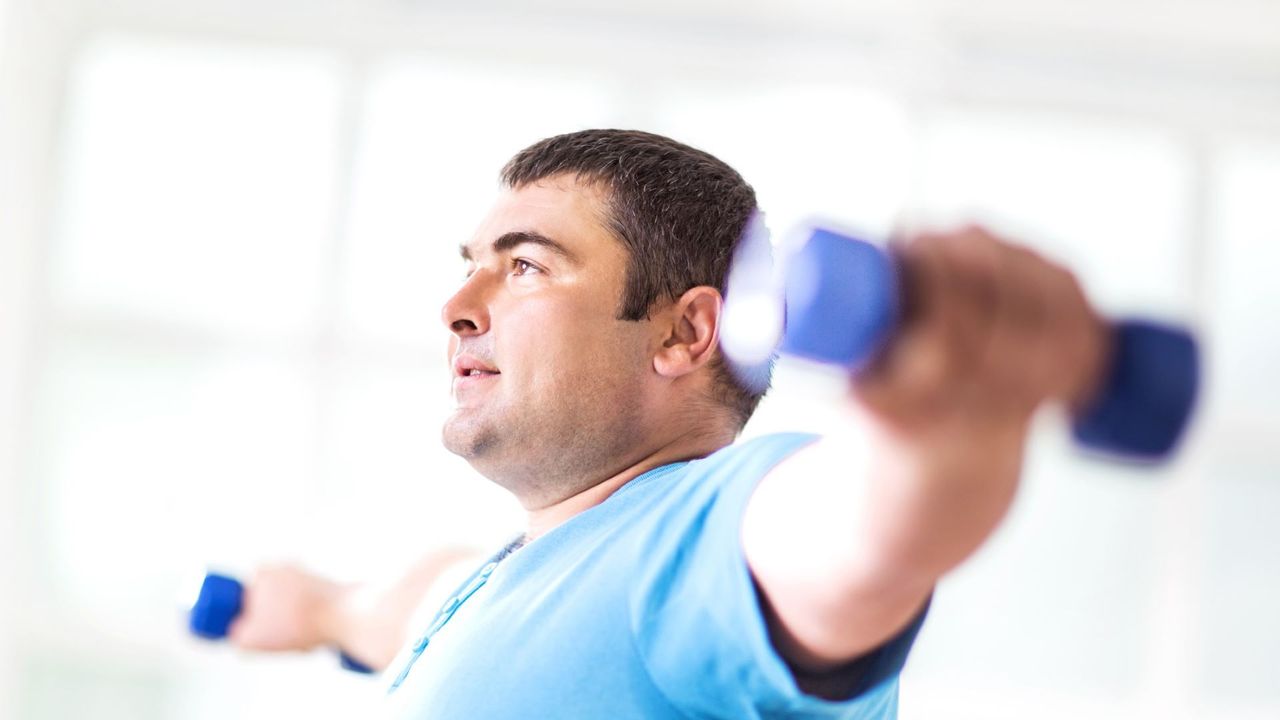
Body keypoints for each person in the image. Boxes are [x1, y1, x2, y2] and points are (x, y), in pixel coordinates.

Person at [232, 129, 1106, 718]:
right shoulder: (491, 585)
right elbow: (389, 609)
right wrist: (314, 610)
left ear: (684, 331)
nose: (457, 307)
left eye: (526, 267)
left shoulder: (696, 539)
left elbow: (862, 531)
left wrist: (941, 422)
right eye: (471, 268)